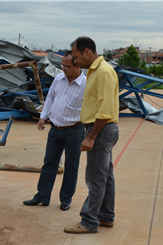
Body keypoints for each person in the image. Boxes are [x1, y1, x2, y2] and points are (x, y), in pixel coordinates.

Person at [64, 36, 119, 234]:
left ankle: (88, 221)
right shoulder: (96, 71)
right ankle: (105, 216)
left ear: (87, 52)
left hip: (101, 129)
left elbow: (104, 111)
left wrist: (91, 137)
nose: (76, 61)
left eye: (77, 56)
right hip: (103, 129)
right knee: (106, 176)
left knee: (95, 177)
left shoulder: (103, 72)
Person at [23, 51, 86, 211]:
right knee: (49, 164)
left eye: (66, 66)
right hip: (55, 129)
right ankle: (42, 196)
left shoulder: (86, 84)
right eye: (61, 65)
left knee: (71, 166)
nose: (63, 69)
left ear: (77, 65)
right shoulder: (59, 79)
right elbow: (50, 98)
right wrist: (43, 117)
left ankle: (66, 198)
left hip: (74, 130)